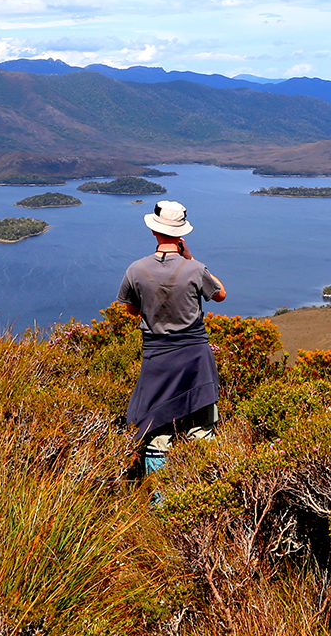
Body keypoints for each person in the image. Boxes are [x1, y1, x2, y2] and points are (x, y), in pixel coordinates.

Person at [118, 200, 227, 476]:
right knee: (201, 425)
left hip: (158, 359)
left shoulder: (136, 270)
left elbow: (132, 310)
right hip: (195, 359)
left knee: (157, 426)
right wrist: (190, 259)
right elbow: (220, 294)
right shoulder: (195, 269)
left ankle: (159, 498)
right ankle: (202, 490)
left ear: (154, 232)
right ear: (181, 236)